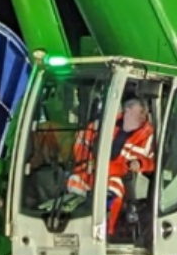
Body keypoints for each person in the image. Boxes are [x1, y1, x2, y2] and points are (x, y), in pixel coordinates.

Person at [64, 94, 156, 236]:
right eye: (141, 111)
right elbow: (82, 139)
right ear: (128, 110)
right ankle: (76, 225)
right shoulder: (105, 124)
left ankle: (106, 232)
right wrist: (86, 159)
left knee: (113, 189)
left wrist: (140, 163)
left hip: (119, 176)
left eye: (145, 112)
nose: (144, 115)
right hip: (94, 171)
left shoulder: (147, 135)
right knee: (74, 181)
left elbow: (154, 161)